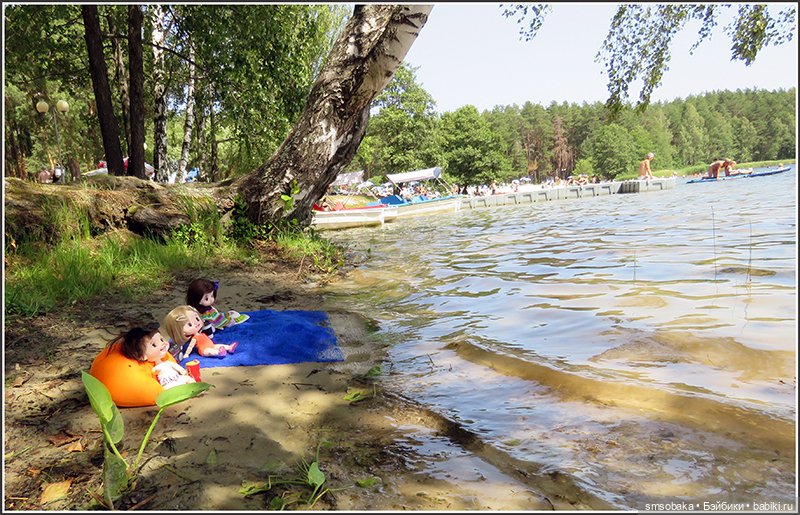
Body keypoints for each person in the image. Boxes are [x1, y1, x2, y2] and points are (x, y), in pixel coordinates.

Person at [89, 325, 194, 407]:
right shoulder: (134, 376)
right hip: (162, 385)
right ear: (142, 356)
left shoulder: (164, 358)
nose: (163, 344)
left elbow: (173, 365)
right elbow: (153, 390)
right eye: (154, 345)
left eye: (162, 339)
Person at [163, 305, 238, 361]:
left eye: (196, 318)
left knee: (217, 345)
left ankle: (229, 348)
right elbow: (190, 346)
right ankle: (218, 353)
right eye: (189, 324)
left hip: (210, 344)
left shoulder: (201, 333)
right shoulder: (195, 338)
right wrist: (186, 354)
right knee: (209, 351)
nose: (196, 323)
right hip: (203, 349)